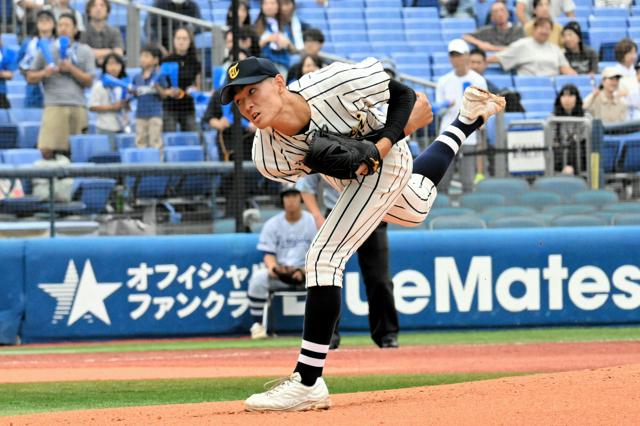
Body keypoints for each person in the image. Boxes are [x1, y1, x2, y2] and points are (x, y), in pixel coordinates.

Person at [219, 55, 505, 411]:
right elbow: (336, 164)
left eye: (252, 91)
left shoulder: (333, 82)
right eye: (238, 100)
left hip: (389, 154)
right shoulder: (268, 155)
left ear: (278, 83)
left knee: (323, 257)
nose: (247, 104)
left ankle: (308, 381)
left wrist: (388, 141)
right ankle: (466, 119)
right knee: (415, 207)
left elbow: (404, 96)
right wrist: (364, 158)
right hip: (350, 175)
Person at [247, 185, 317, 340]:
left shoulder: (312, 221)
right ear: (282, 199)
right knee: (258, 278)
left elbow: (319, 253)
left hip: (307, 272)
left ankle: (324, 328)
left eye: (294, 195)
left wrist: (304, 271)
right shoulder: (272, 224)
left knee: (325, 280)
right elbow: (268, 254)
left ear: (300, 198)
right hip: (281, 272)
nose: (291, 200)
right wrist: (273, 268)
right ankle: (257, 326)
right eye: (287, 196)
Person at [28, 12, 95, 159]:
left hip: (78, 105)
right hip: (54, 104)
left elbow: (90, 81)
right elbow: (30, 77)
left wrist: (71, 68)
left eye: (67, 25)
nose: (63, 28)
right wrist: (45, 72)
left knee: (77, 152)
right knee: (46, 149)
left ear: (75, 29)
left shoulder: (85, 51)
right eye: (60, 25)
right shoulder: (45, 49)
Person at [436, 39, 488, 194]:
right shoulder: (444, 81)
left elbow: (484, 107)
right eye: (452, 55)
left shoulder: (478, 80)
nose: (455, 59)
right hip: (447, 133)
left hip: (468, 135)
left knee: (468, 179)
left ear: (466, 56)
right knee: (443, 178)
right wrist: (445, 105)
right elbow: (439, 110)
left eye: (458, 55)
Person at [489, 17, 576, 77]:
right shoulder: (521, 45)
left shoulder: (555, 48)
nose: (544, 31)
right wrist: (481, 61)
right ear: (535, 29)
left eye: (548, 28)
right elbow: (499, 57)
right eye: (542, 27)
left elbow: (565, 68)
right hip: (529, 84)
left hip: (552, 86)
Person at [161, 27, 201, 132]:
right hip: (169, 105)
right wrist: (168, 91)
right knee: (169, 137)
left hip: (187, 105)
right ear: (174, 40)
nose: (181, 42)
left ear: (189, 41)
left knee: (191, 138)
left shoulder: (194, 62)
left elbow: (197, 85)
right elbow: (160, 84)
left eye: (184, 39)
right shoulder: (166, 60)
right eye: (178, 38)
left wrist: (193, 89)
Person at [133, 44, 170, 149]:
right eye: (142, 56)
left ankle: (157, 163)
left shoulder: (159, 76)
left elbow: (164, 95)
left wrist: (157, 86)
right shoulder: (137, 77)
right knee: (140, 141)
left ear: (155, 60)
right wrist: (133, 92)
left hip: (155, 114)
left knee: (155, 141)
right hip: (140, 114)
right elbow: (135, 94)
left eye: (146, 56)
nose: (143, 59)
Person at [89, 53, 129, 148]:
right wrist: (112, 107)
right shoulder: (99, 85)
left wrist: (126, 105)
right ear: (104, 67)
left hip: (121, 126)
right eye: (110, 64)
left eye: (116, 64)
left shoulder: (124, 85)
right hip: (105, 127)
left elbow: (127, 108)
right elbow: (92, 107)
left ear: (121, 66)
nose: (113, 68)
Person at [18, 9, 56, 108]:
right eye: (40, 20)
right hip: (33, 89)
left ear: (53, 24)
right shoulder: (28, 43)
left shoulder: (58, 43)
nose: (44, 22)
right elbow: (20, 64)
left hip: (54, 88)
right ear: (37, 24)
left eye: (47, 19)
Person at [551, 84, 587, 173]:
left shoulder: (585, 118)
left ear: (576, 98)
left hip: (579, 156)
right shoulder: (552, 119)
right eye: (563, 96)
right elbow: (552, 140)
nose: (566, 99)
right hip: (559, 156)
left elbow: (584, 140)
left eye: (570, 96)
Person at [80, 0, 124, 66]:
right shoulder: (82, 32)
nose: (98, 8)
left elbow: (119, 53)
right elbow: (83, 54)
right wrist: (110, 51)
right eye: (94, 5)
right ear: (88, 11)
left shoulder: (115, 31)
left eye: (102, 5)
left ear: (107, 11)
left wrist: (96, 54)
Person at [254, 0, 293, 73]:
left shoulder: (285, 24)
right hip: (264, 63)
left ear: (278, 6)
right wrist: (267, 39)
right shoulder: (256, 25)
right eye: (266, 3)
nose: (269, 6)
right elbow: (253, 47)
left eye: (272, 3)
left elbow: (294, 48)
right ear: (262, 6)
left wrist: (287, 42)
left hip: (282, 62)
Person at [611, 38, 640, 120]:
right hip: (620, 111)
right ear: (622, 54)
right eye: (630, 53)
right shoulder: (613, 72)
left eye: (635, 52)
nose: (634, 56)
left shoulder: (636, 72)